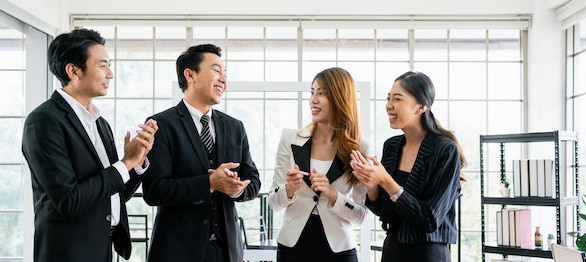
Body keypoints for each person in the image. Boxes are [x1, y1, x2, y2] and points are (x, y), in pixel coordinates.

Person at [21, 28, 158, 262]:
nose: (111, 74)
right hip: (68, 253)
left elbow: (110, 193)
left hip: (103, 248)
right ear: (73, 70)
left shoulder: (100, 122)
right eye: (103, 65)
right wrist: (125, 163)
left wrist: (136, 163)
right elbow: (70, 200)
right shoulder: (43, 120)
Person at [142, 43, 261, 262]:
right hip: (178, 250)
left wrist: (236, 190)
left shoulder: (235, 127)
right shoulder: (161, 125)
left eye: (225, 73)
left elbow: (253, 180)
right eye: (216, 71)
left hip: (227, 251)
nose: (224, 79)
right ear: (190, 75)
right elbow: (154, 191)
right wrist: (209, 183)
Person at [349, 71, 466, 262]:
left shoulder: (445, 150)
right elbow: (385, 212)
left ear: (420, 107)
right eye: (388, 98)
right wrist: (371, 186)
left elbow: (430, 220)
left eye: (397, 98)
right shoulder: (392, 146)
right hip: (392, 250)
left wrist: (385, 180)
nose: (389, 105)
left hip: (428, 254)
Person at [268, 67, 371, 262]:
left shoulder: (361, 149)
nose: (313, 100)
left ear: (340, 98)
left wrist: (333, 195)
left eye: (321, 93)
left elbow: (362, 216)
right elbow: (273, 202)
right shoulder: (290, 139)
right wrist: (289, 189)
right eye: (312, 92)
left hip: (339, 249)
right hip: (293, 247)